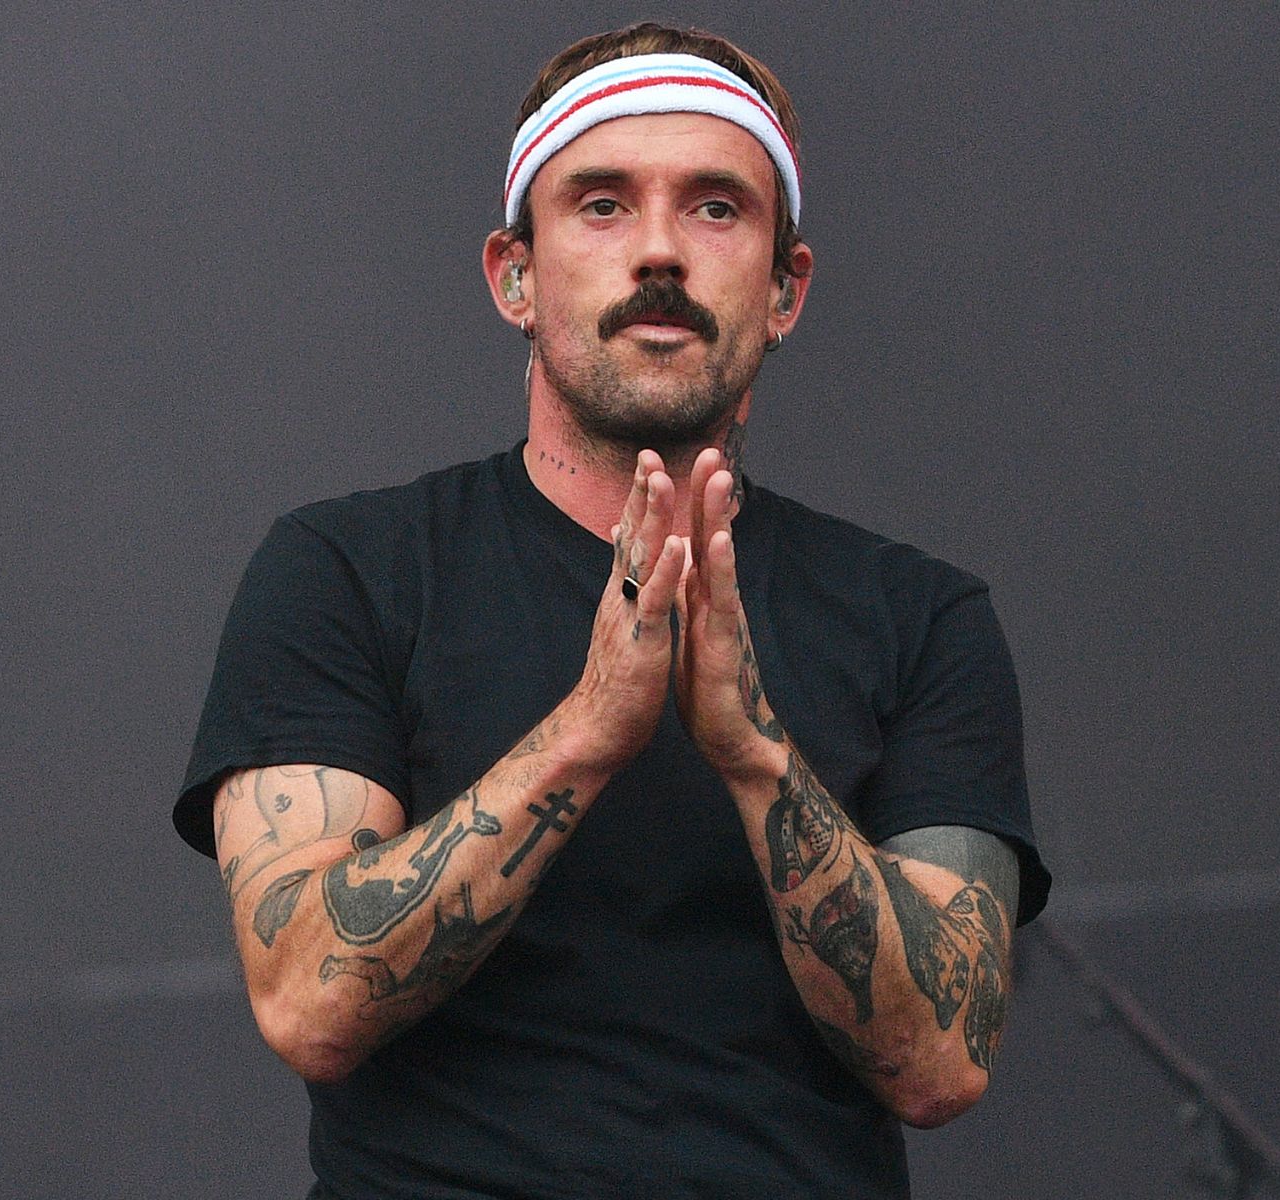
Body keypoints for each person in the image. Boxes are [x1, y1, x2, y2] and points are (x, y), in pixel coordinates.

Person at [174, 22, 1051, 1199]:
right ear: (515, 277)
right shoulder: (347, 569)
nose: (658, 252)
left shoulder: (919, 617)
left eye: (714, 208)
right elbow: (307, 1000)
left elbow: (943, 1061)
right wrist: (589, 731)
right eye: (599, 204)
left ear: (785, 289)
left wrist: (750, 755)